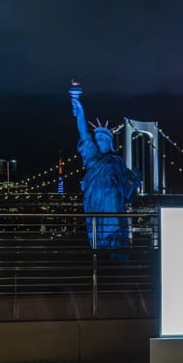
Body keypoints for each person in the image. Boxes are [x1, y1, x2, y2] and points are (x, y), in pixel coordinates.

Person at [71, 93, 141, 248]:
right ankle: (99, 255)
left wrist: (133, 179)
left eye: (102, 140)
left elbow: (126, 187)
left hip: (113, 205)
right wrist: (80, 112)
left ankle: (114, 257)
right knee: (97, 235)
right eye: (98, 140)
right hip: (94, 203)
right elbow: (84, 135)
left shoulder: (116, 161)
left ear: (109, 142)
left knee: (113, 237)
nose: (99, 142)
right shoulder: (92, 158)